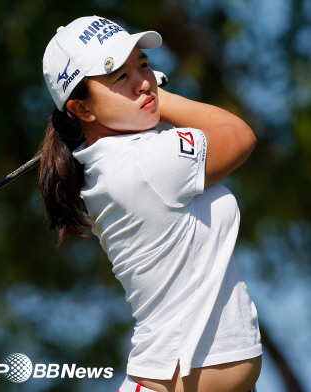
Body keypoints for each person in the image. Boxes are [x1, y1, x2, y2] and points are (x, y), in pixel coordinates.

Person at [38, 16, 262, 392]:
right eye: (118, 76)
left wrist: (141, 91)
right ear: (82, 110)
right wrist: (162, 95)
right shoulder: (146, 162)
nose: (142, 81)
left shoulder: (110, 162)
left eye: (143, 65)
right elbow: (239, 134)